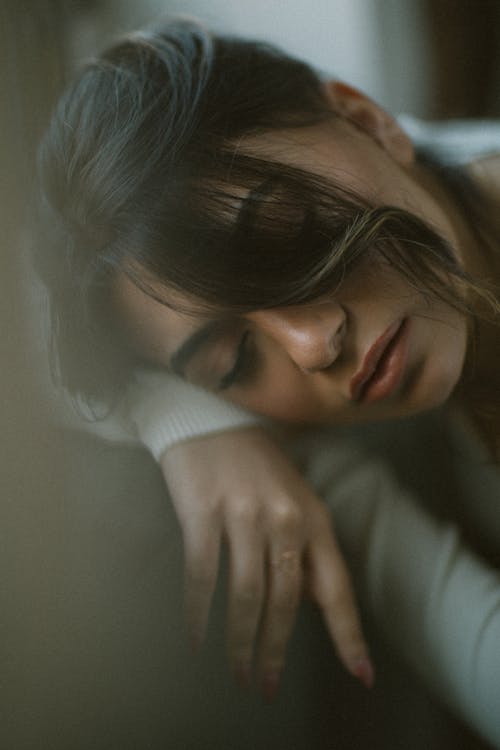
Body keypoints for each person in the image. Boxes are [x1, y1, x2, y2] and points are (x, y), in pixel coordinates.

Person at [36, 18, 500, 746]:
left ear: (368, 119)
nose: (314, 345)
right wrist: (192, 426)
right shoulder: (316, 443)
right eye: (232, 361)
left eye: (281, 235)